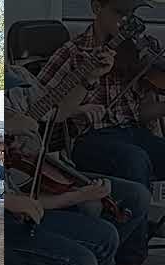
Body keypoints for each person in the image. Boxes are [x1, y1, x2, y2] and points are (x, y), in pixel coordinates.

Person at [8, 63, 152, 265]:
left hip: (43, 167)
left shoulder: (19, 74)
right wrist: (9, 125)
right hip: (20, 181)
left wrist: (88, 79)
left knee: (136, 196)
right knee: (92, 209)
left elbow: (57, 111)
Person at [4, 71, 119, 265]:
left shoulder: (19, 106)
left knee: (106, 236)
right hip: (5, 226)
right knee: (82, 264)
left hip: (23, 216)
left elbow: (33, 203)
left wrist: (76, 196)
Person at [38, 0, 165, 189]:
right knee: (135, 159)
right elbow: (40, 109)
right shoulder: (72, 53)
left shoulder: (137, 51)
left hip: (132, 132)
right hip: (88, 139)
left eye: (131, 13)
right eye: (120, 12)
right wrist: (77, 110)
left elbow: (140, 114)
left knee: (140, 155)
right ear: (97, 7)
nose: (126, 20)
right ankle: (131, 214)